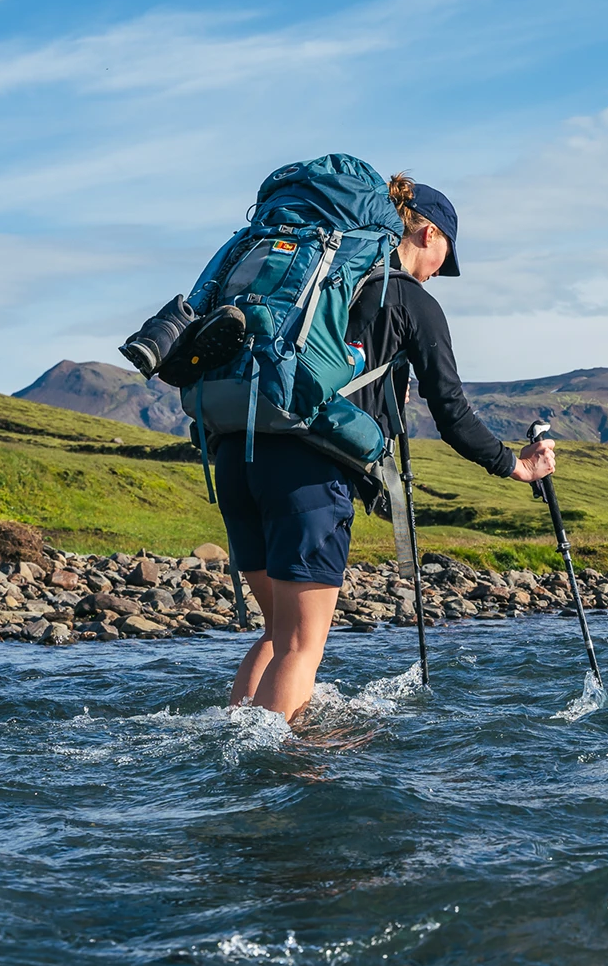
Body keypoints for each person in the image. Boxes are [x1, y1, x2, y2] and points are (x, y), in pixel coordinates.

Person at [216, 171, 556, 722]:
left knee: (279, 634)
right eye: (446, 253)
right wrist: (515, 466)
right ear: (426, 234)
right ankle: (276, 776)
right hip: (307, 475)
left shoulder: (323, 280)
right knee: (302, 648)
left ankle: (229, 748)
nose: (442, 270)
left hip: (236, 451)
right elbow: (452, 413)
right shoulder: (412, 302)